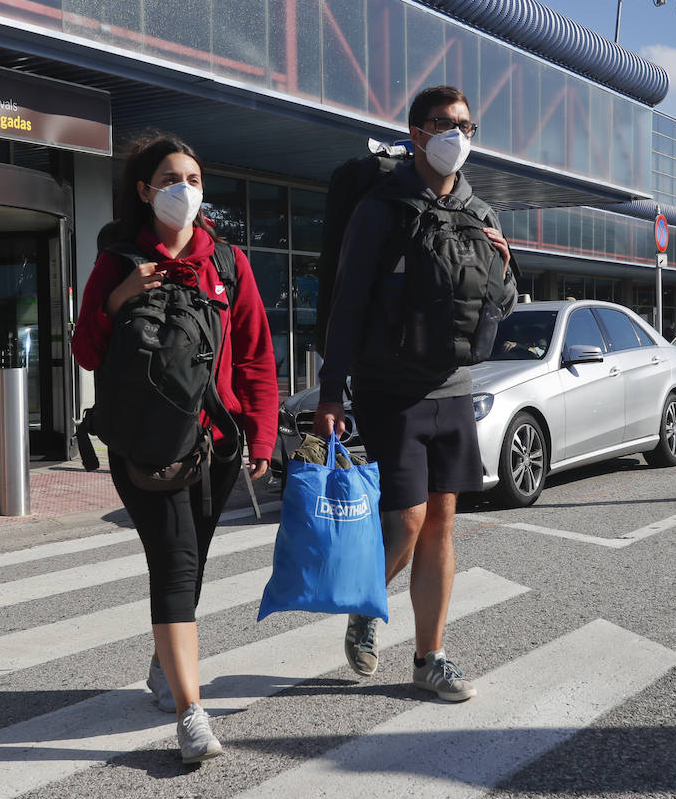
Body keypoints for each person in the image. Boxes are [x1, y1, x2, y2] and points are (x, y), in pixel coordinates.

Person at [71, 132, 278, 762]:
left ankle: (166, 665)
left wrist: (261, 436)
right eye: (168, 179)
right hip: (143, 445)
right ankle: (192, 713)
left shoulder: (229, 265)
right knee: (176, 560)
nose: (182, 190)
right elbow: (85, 349)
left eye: (191, 178)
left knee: (193, 561)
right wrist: (122, 297)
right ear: (144, 190)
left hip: (213, 445)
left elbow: (256, 357)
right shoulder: (117, 261)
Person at [315, 85, 514, 702]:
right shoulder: (383, 207)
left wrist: (507, 268)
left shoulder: (481, 213)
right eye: (445, 123)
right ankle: (368, 609)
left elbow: (499, 304)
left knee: (443, 522)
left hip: (452, 385)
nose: (459, 135)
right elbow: (348, 301)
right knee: (406, 519)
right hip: (390, 386)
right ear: (417, 133)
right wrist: (330, 391)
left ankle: (431, 658)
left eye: (467, 125)